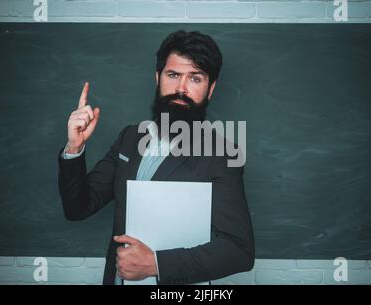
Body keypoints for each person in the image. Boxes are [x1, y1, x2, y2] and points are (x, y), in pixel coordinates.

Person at [58, 30, 255, 285]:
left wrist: (156, 264)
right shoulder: (129, 139)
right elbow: (77, 208)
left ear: (210, 89)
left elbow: (240, 251)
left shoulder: (221, 154)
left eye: (195, 78)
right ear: (157, 77)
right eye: (173, 75)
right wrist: (74, 148)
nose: (181, 89)